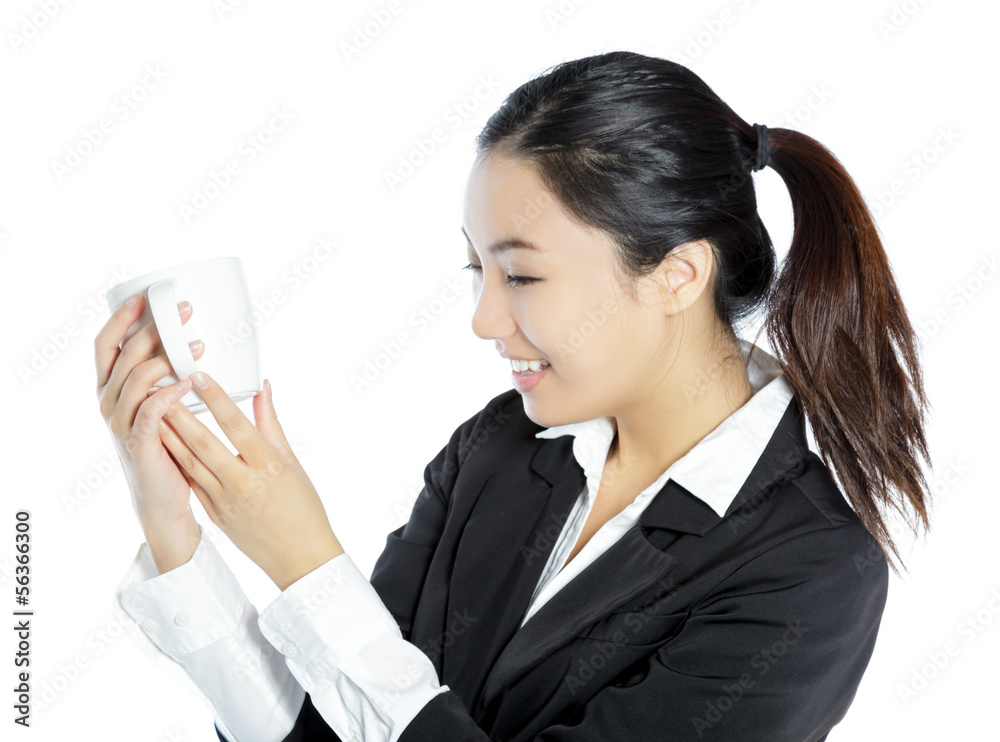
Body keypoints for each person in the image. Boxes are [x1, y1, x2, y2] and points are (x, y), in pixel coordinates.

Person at [96, 50, 932, 741]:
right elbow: (337, 725)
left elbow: (372, 689)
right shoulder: (500, 447)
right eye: (476, 269)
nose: (484, 319)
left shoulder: (808, 571)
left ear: (677, 274)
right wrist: (174, 528)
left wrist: (308, 566)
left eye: (522, 275)